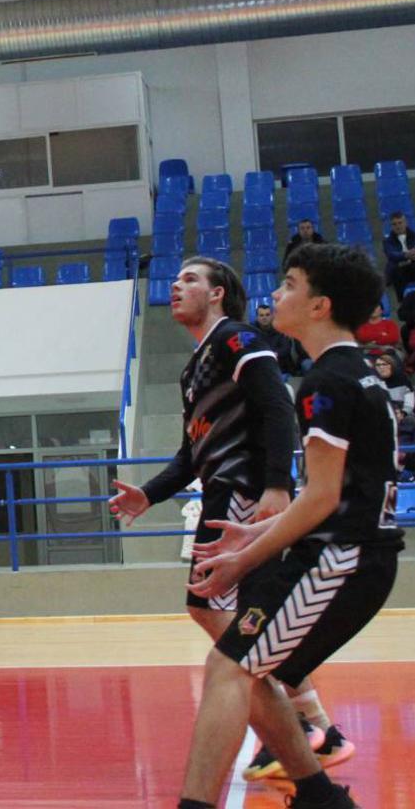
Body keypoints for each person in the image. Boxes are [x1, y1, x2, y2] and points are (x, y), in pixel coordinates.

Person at [177, 243, 402, 809]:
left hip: (341, 560)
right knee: (241, 667)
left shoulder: (325, 382)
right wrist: (253, 536)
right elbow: (331, 491)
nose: (276, 294)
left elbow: (323, 498)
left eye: (290, 284)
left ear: (320, 306)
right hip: (346, 555)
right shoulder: (356, 374)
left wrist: (244, 557)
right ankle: (319, 795)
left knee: (229, 667)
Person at [108, 257, 351, 781]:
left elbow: (278, 407)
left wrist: (277, 485)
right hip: (223, 490)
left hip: (245, 493)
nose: (176, 286)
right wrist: (148, 495)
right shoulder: (193, 367)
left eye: (190, 279)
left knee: (219, 613)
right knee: (232, 616)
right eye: (176, 279)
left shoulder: (237, 339)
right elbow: (189, 453)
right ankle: (313, 725)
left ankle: (300, 724)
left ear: (218, 293)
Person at [253, 298, 303, 376]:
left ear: (272, 316)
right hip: (261, 364)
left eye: (267, 315)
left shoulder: (281, 328)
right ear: (257, 317)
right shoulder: (251, 331)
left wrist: (271, 354)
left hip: (280, 365)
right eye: (261, 315)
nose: (264, 318)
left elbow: (285, 348)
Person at [384, 210, 415, 298]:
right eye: (394, 224)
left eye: (400, 223)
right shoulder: (387, 241)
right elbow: (391, 254)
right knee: (396, 271)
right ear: (391, 226)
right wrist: (406, 255)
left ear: (405, 223)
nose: (398, 226)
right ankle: (402, 300)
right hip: (399, 269)